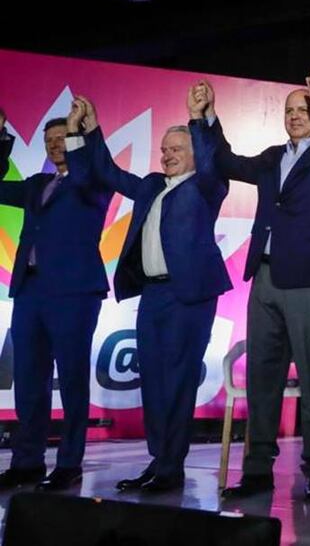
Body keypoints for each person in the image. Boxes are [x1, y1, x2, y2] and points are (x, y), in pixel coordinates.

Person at [193, 69, 310, 503]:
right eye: (290, 111)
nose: (296, 117)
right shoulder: (271, 157)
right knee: (262, 380)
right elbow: (226, 161)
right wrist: (207, 118)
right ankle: (258, 470)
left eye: (303, 110)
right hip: (265, 278)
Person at [63, 88, 231, 492]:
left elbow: (211, 158)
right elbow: (106, 172)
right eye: (163, 149)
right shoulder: (153, 185)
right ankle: (159, 462)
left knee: (177, 381)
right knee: (153, 380)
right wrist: (85, 131)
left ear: (194, 152)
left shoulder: (208, 185)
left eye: (176, 148)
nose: (167, 155)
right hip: (154, 295)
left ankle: (172, 466)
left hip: (188, 295)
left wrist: (199, 118)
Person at [0, 100, 113, 492]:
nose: (54, 144)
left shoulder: (92, 181)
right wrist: (1, 138)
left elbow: (92, 168)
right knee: (29, 381)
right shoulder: (36, 185)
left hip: (74, 294)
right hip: (31, 292)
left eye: (62, 136)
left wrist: (84, 131)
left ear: (76, 138)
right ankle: (27, 462)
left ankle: (69, 464)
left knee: (72, 379)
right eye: (48, 140)